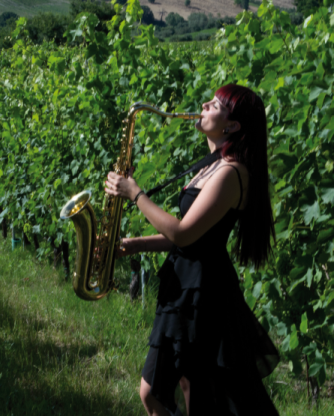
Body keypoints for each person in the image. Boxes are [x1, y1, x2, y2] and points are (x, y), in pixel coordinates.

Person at [105, 84, 280, 416]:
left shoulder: (230, 173)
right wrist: (134, 245)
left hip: (204, 294)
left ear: (232, 126)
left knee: (184, 396)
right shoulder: (212, 165)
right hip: (185, 286)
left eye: (214, 105)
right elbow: (192, 237)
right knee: (169, 392)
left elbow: (183, 234)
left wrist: (135, 194)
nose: (203, 104)